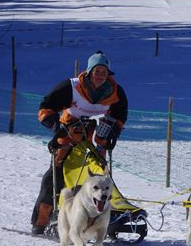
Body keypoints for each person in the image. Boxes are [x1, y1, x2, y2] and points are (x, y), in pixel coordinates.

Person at [31, 51, 127, 234]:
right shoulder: (72, 87)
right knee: (55, 176)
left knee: (99, 176)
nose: (101, 76)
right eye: (97, 71)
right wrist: (54, 125)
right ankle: (42, 221)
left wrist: (114, 131)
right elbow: (46, 106)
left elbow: (119, 116)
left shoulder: (115, 92)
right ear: (89, 72)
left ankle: (107, 216)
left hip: (95, 139)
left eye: (104, 72)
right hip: (68, 134)